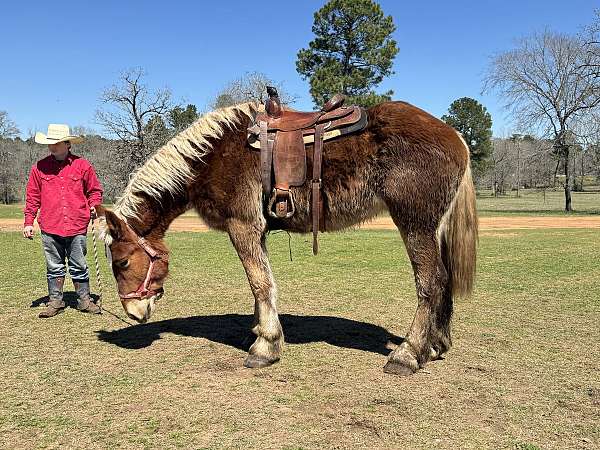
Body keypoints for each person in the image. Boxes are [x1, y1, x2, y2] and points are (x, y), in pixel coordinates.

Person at [23, 124, 103, 318]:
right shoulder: (39, 167)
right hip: (50, 225)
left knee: (79, 264)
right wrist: (28, 221)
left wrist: (94, 204)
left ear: (67, 144)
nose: (52, 147)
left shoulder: (83, 166)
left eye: (56, 144)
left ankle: (84, 301)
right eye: (50, 144)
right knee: (54, 266)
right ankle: (55, 302)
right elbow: (33, 196)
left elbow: (94, 190)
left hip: (77, 224)